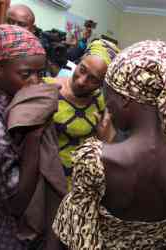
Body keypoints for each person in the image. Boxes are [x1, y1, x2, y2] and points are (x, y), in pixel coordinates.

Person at [53, 40, 166, 249]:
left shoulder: (95, 160)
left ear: (125, 99)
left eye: (108, 94)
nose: (107, 105)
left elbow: (72, 239)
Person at [0, 24, 63, 250]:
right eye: (26, 74)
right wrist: (35, 136)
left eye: (41, 73)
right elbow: (16, 203)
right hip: (7, 230)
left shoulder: (20, 102)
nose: (36, 82)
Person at [43, 39, 119, 191]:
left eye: (93, 79)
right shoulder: (48, 87)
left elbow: (107, 144)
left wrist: (104, 139)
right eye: (82, 69)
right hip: (45, 178)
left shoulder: (102, 102)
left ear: (102, 83)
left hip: (79, 182)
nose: (82, 81)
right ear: (78, 62)